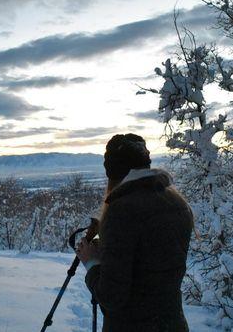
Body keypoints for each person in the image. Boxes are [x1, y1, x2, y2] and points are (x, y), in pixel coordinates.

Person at [76, 133, 194, 332]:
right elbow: (151, 267)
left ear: (112, 173)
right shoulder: (176, 203)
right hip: (173, 324)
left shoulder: (121, 210)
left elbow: (112, 297)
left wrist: (92, 262)